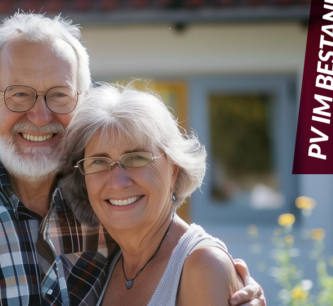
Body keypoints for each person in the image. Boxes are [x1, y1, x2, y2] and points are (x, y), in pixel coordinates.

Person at [0, 13, 265, 305]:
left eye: (59, 95)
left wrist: (222, 277)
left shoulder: (102, 199)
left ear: (83, 101)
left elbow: (179, 261)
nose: (40, 116)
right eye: (19, 94)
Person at [43, 83, 247, 305]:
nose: (117, 182)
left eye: (136, 158)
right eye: (99, 162)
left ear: (173, 170)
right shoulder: (102, 264)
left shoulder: (202, 265)